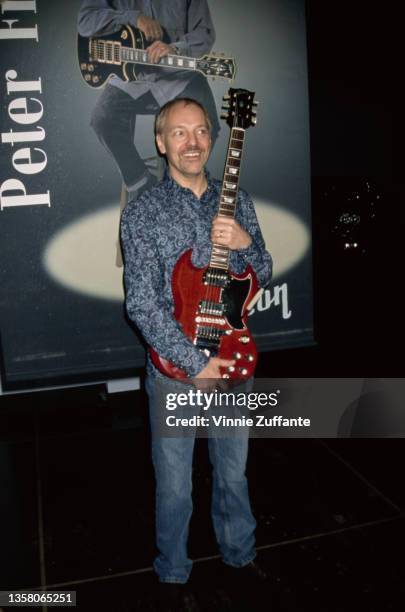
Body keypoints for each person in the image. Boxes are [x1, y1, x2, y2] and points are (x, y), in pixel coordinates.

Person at [120, 98, 272, 610]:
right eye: (179, 133)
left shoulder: (238, 201)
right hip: (175, 373)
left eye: (202, 131)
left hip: (232, 361)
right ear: (161, 143)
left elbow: (262, 272)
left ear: (214, 137)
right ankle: (173, 571)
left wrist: (246, 241)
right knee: (176, 488)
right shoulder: (143, 213)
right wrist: (191, 362)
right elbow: (141, 302)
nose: (192, 142)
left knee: (233, 472)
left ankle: (240, 554)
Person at [77, 0, 220, 198]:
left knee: (208, 125)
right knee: (102, 119)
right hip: (129, 78)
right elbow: (85, 21)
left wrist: (176, 49)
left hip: (177, 75)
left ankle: (180, 190)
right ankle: (142, 186)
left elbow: (204, 32)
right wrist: (133, 18)